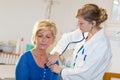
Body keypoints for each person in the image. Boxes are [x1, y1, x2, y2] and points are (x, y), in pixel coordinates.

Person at [47, 3, 112, 80]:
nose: (78, 26)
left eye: (81, 23)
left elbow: (87, 73)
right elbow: (67, 38)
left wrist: (61, 70)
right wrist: (56, 53)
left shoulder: (102, 45)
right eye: (78, 22)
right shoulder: (85, 32)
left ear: (93, 23)